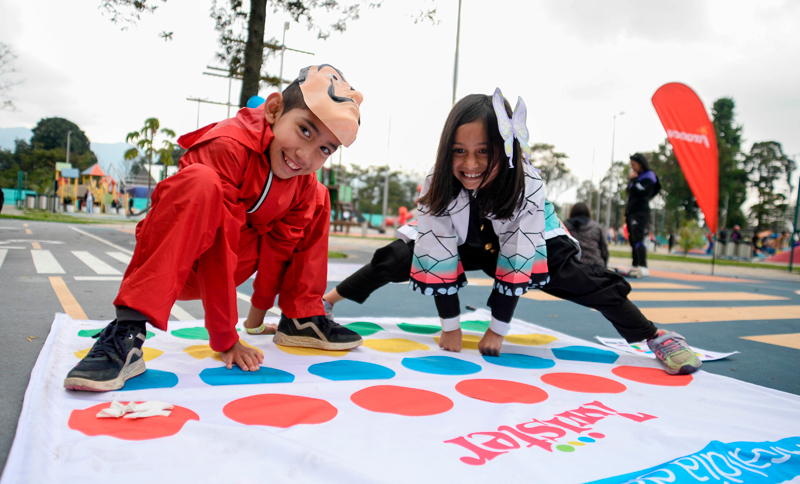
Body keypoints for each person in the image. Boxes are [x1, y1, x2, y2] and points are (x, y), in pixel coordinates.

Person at [321, 91, 701, 376]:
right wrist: (450, 326)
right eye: (458, 151)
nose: (470, 165)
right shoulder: (438, 181)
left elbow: (518, 256)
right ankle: (326, 302)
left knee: (585, 279)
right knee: (398, 254)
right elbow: (436, 253)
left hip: (532, 242)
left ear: (505, 150)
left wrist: (497, 330)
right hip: (470, 241)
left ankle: (654, 335)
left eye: (483, 152)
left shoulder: (526, 185)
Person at [64, 65, 365, 392]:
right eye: (305, 130)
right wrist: (225, 339)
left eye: (325, 148)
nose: (305, 155)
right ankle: (128, 331)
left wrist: (256, 319)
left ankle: (301, 320)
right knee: (199, 182)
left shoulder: (303, 183)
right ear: (275, 109)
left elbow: (279, 248)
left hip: (236, 261)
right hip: (182, 260)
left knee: (318, 196)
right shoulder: (228, 145)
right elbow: (218, 245)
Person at [625, 153, 661, 277]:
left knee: (638, 238)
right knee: (632, 239)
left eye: (634, 165)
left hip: (641, 212)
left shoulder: (649, 176)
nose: (632, 167)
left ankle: (643, 265)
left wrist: (634, 180)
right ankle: (635, 264)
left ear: (641, 164)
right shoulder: (636, 176)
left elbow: (644, 192)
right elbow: (630, 192)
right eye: (631, 165)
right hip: (631, 212)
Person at [563, 202, 608, 267]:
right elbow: (604, 251)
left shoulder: (564, 227)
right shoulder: (596, 227)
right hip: (595, 267)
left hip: (572, 267)